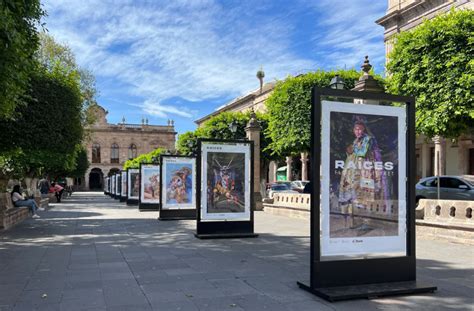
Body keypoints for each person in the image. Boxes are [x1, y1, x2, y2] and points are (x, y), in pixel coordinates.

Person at [337, 118, 389, 226]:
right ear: (353, 130)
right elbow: (351, 153)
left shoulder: (368, 139)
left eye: (360, 129)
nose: (358, 131)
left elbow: (363, 151)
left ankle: (367, 221)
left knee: (365, 193)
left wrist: (352, 150)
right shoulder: (356, 140)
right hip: (354, 168)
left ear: (364, 129)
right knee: (352, 191)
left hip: (366, 168)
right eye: (356, 129)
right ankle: (352, 220)